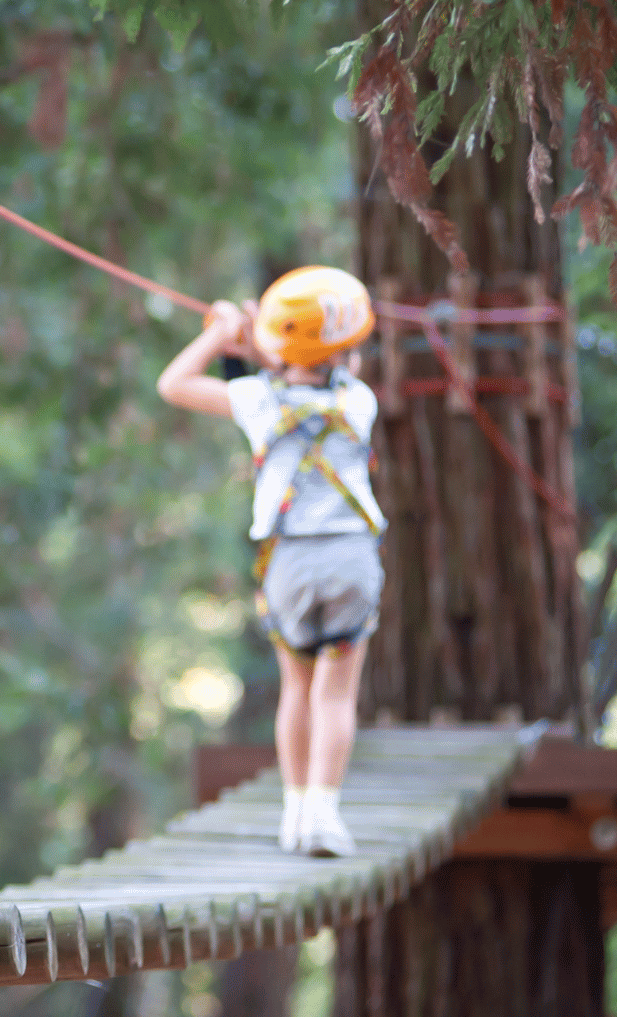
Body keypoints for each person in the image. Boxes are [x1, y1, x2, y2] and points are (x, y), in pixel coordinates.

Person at [156, 268, 384, 856]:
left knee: (296, 689)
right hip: (350, 559)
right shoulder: (360, 401)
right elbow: (313, 355)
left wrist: (223, 332)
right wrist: (261, 332)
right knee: (336, 694)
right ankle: (325, 817)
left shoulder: (256, 400)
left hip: (287, 562)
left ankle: (293, 814)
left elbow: (175, 383)